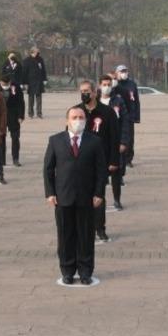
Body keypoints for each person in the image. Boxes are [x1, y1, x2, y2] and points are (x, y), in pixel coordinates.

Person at [43, 106, 107, 285]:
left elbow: (101, 170)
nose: (78, 120)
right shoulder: (55, 141)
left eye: (81, 117)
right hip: (63, 197)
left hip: (87, 198)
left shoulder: (94, 141)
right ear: (67, 121)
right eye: (74, 117)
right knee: (65, 236)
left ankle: (85, 271)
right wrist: (50, 193)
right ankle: (67, 270)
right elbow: (48, 169)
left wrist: (99, 193)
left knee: (86, 236)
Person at [77, 78, 120, 242]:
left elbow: (114, 138)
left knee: (98, 196)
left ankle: (100, 229)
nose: (84, 94)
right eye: (82, 92)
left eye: (87, 91)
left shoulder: (107, 112)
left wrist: (114, 161)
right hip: (80, 162)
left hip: (100, 162)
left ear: (95, 92)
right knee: (81, 197)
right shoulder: (76, 112)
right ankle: (83, 229)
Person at [107, 75, 134, 210]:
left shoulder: (119, 98)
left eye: (110, 82)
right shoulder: (95, 100)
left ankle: (117, 199)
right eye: (105, 83)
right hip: (99, 143)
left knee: (116, 171)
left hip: (115, 141)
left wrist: (124, 141)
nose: (108, 85)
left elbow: (125, 120)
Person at [114, 65, 141, 166]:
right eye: (122, 71)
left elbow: (136, 101)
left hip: (129, 115)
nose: (124, 73)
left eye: (125, 71)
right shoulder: (114, 84)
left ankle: (128, 159)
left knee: (130, 138)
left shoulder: (132, 84)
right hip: (117, 115)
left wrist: (137, 117)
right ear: (117, 73)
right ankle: (117, 157)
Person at [2, 73, 25, 167]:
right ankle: (1, 159)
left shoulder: (16, 87)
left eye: (7, 84)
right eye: (3, 84)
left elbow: (21, 102)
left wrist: (21, 116)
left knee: (15, 138)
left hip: (13, 116)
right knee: (1, 138)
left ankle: (15, 158)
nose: (5, 86)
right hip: (1, 117)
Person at [21, 47, 48, 119]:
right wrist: (25, 83)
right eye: (37, 52)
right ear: (32, 52)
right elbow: (24, 73)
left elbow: (43, 70)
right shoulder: (27, 60)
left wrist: (45, 79)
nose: (38, 53)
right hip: (30, 82)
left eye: (38, 52)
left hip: (39, 81)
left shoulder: (40, 59)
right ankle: (30, 113)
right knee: (31, 98)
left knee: (39, 98)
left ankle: (39, 113)